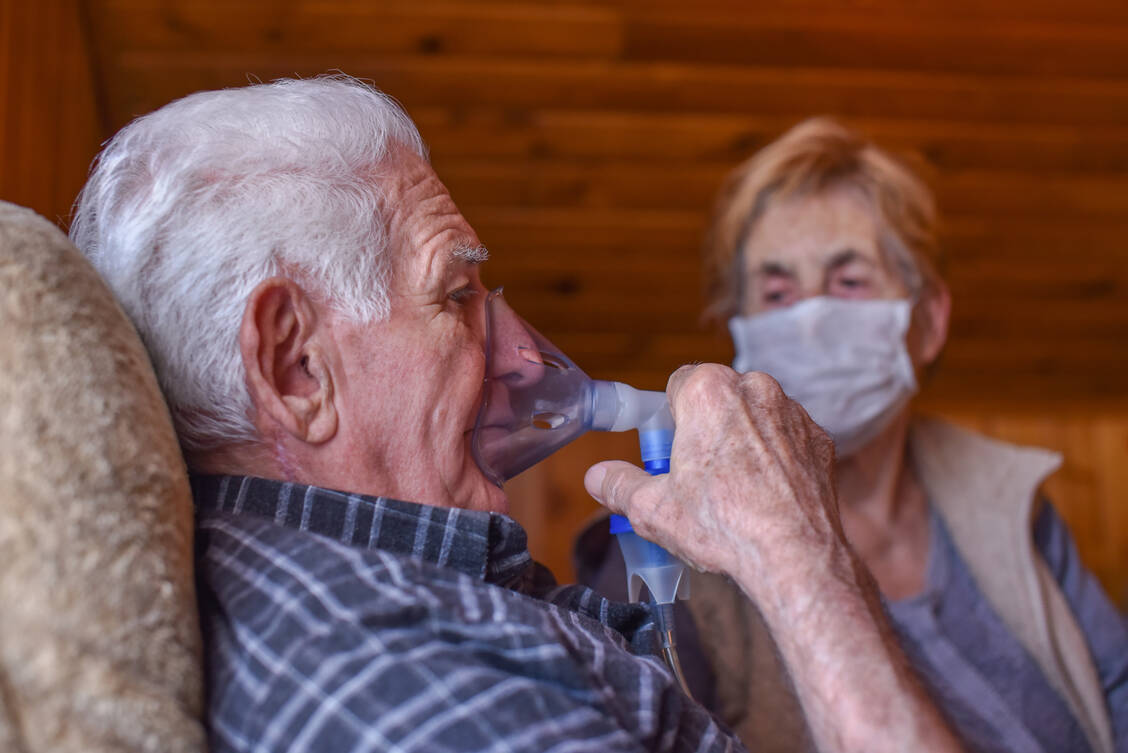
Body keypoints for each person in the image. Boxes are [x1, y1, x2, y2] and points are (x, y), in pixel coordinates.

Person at [69, 77, 967, 753]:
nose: (527, 358)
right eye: (456, 294)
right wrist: (799, 555)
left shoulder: (404, 590)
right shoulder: (390, 680)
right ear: (296, 367)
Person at [578, 117, 1127, 753]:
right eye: (778, 290)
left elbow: (1114, 688)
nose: (811, 320)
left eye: (848, 281)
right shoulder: (662, 551)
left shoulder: (1010, 500)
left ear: (927, 321)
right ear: (739, 330)